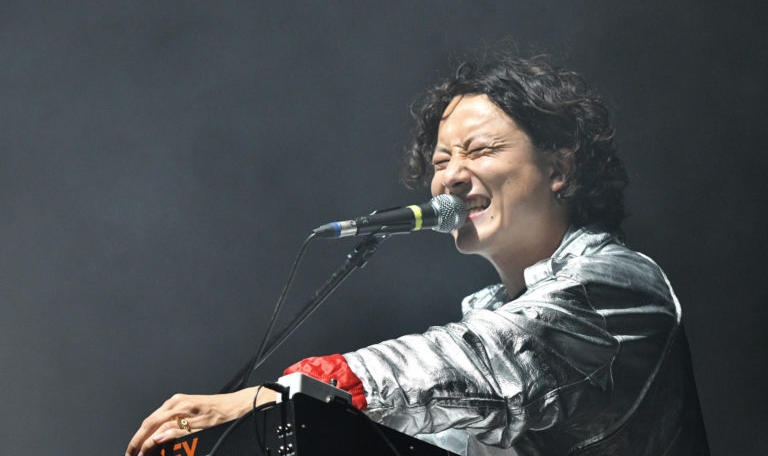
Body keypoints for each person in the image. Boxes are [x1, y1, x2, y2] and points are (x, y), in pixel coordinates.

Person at [125, 52, 709, 456]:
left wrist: (279, 397)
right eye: (440, 161)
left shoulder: (620, 287)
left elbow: (491, 359)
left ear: (558, 169)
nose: (450, 176)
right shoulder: (485, 312)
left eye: (479, 150)